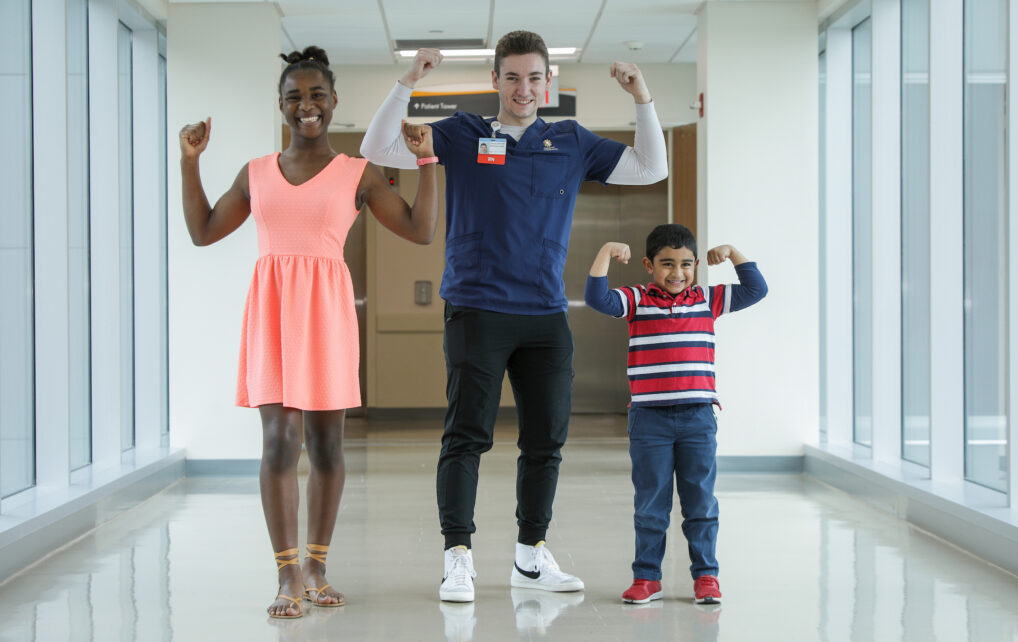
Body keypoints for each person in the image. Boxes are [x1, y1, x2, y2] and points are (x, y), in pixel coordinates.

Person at [360, 30, 669, 602]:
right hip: (476, 308)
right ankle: (458, 556)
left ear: (548, 81)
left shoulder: (571, 141)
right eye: (512, 77)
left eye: (534, 77)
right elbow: (377, 150)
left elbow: (650, 168)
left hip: (545, 317)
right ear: (495, 82)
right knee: (467, 436)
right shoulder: (462, 132)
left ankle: (530, 555)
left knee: (546, 440)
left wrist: (641, 95)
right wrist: (407, 81)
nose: (523, 88)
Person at [179, 46, 438, 619]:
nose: (306, 106)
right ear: (281, 106)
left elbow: (421, 232)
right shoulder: (256, 174)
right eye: (294, 97)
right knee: (278, 442)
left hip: (325, 315)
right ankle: (287, 572)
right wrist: (190, 162)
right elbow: (202, 232)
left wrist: (428, 164)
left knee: (325, 446)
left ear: (334, 100)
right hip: (272, 315)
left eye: (316, 94)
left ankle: (318, 565)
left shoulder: (357, 173)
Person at [583, 224, 768, 605]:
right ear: (649, 265)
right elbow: (597, 298)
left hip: (698, 417)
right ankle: (647, 577)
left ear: (697, 266)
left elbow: (756, 290)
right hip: (650, 420)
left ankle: (706, 577)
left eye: (686, 265)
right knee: (651, 502)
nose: (677, 273)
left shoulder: (707, 299)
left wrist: (733, 253)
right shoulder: (636, 299)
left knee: (700, 500)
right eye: (667, 264)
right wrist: (605, 252)